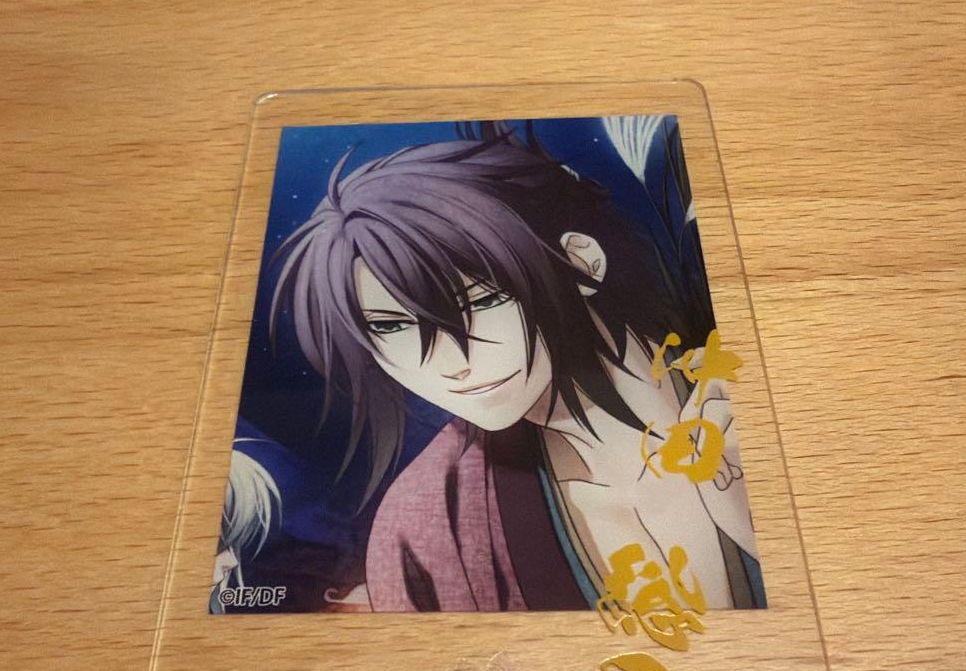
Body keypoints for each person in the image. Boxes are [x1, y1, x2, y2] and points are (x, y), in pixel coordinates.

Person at [270, 123, 764, 612]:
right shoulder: (429, 524)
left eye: (481, 299)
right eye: (390, 326)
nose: (451, 363)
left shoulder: (750, 388)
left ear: (580, 263)